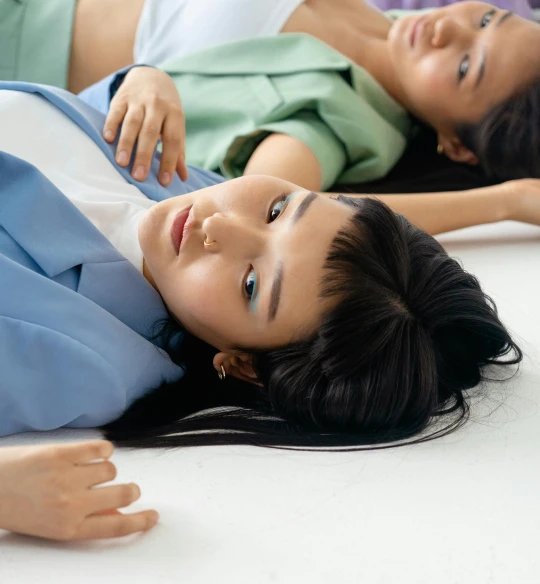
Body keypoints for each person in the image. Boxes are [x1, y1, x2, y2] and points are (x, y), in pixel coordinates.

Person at [0, 65, 538, 542]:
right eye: (280, 208)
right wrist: (135, 81)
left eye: (252, 285)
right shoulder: (186, 189)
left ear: (246, 366)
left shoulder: (85, 356)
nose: (218, 227)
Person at [2, 1, 539, 189]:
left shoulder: (339, 116)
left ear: (459, 146)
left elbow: (270, 202)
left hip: (21, 51)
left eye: (467, 67)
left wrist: (504, 203)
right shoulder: (386, 22)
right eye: (488, 18)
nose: (449, 30)